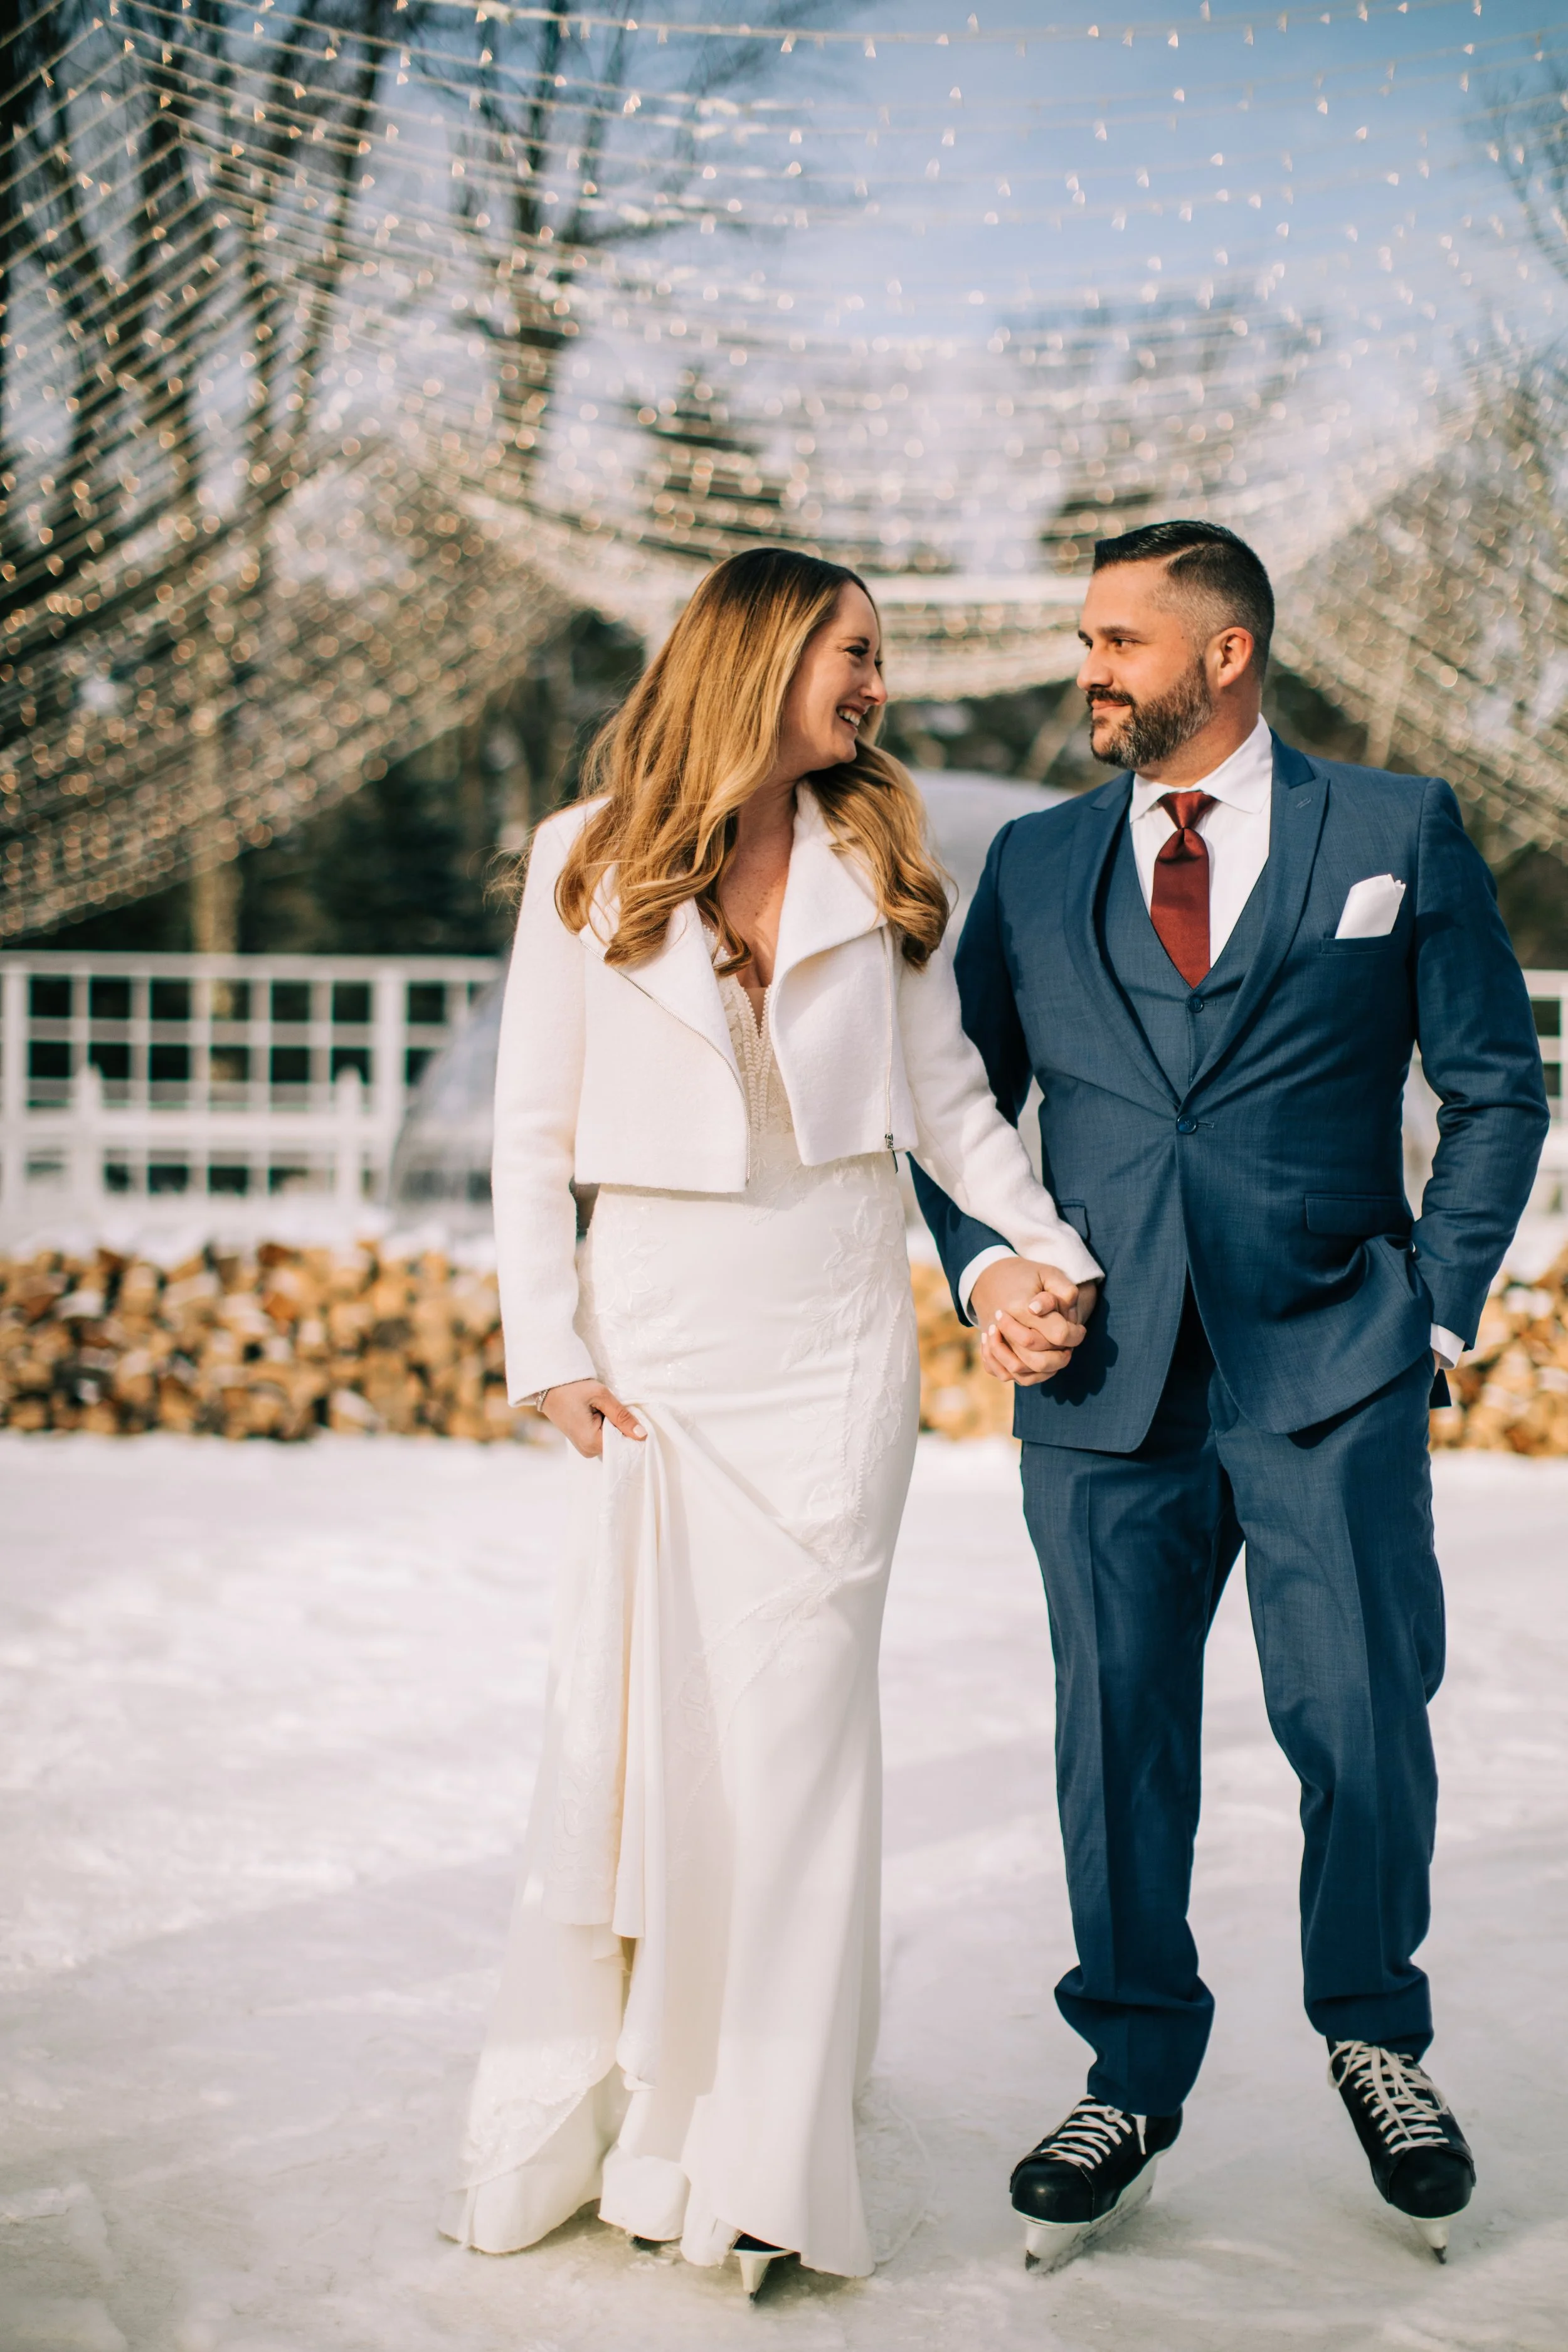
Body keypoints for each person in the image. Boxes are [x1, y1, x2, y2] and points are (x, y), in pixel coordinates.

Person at [440, 548, 1101, 2296]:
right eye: (850, 650)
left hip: (825, 1343)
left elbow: (947, 1107)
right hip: (655, 1345)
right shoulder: (580, 855)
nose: (874, 682)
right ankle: (645, 2116)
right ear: (753, 655)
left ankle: (764, 2156)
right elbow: (526, 1129)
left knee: (801, 1742)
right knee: (659, 1743)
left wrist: (1037, 1246)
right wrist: (546, 1340)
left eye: (876, 655)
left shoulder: (878, 858)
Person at [913, 519, 1549, 2272]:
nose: (1087, 666)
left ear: (1223, 656)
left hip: (1330, 1364)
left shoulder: (1391, 829)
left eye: (1118, 638)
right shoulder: (1037, 865)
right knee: (1112, 1737)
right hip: (1103, 1381)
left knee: (1357, 1719)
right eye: (1085, 636)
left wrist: (1429, 1308)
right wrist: (986, 1268)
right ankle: (1127, 2063)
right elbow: (950, 1101)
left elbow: (1496, 1086)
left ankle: (1373, 2033)